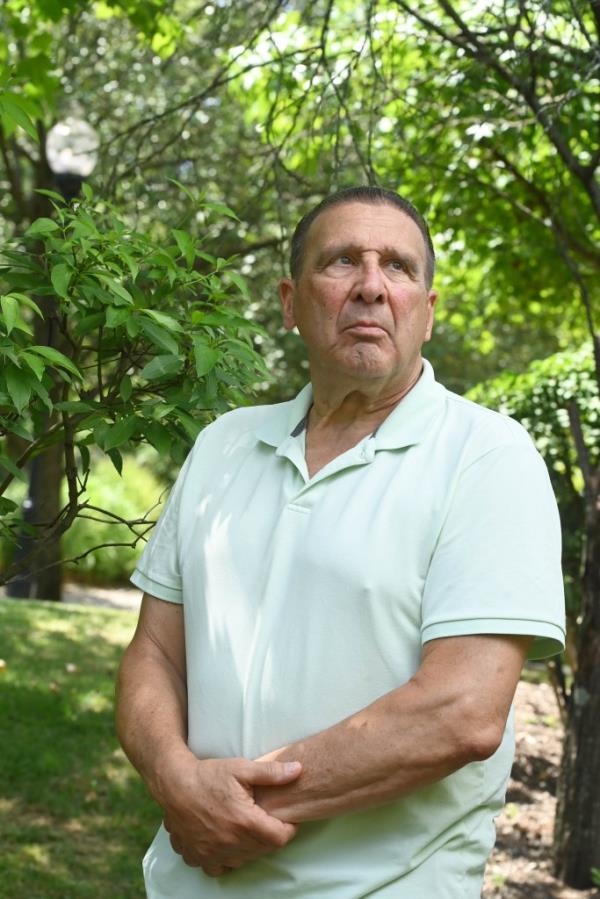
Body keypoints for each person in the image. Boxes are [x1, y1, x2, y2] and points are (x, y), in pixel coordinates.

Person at [116, 186, 565, 899]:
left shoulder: (487, 457)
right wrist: (175, 778)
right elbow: (154, 652)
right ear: (292, 303)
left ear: (426, 309)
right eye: (342, 261)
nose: (370, 287)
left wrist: (235, 810)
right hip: (187, 883)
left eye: (398, 267)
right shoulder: (224, 446)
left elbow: (462, 710)